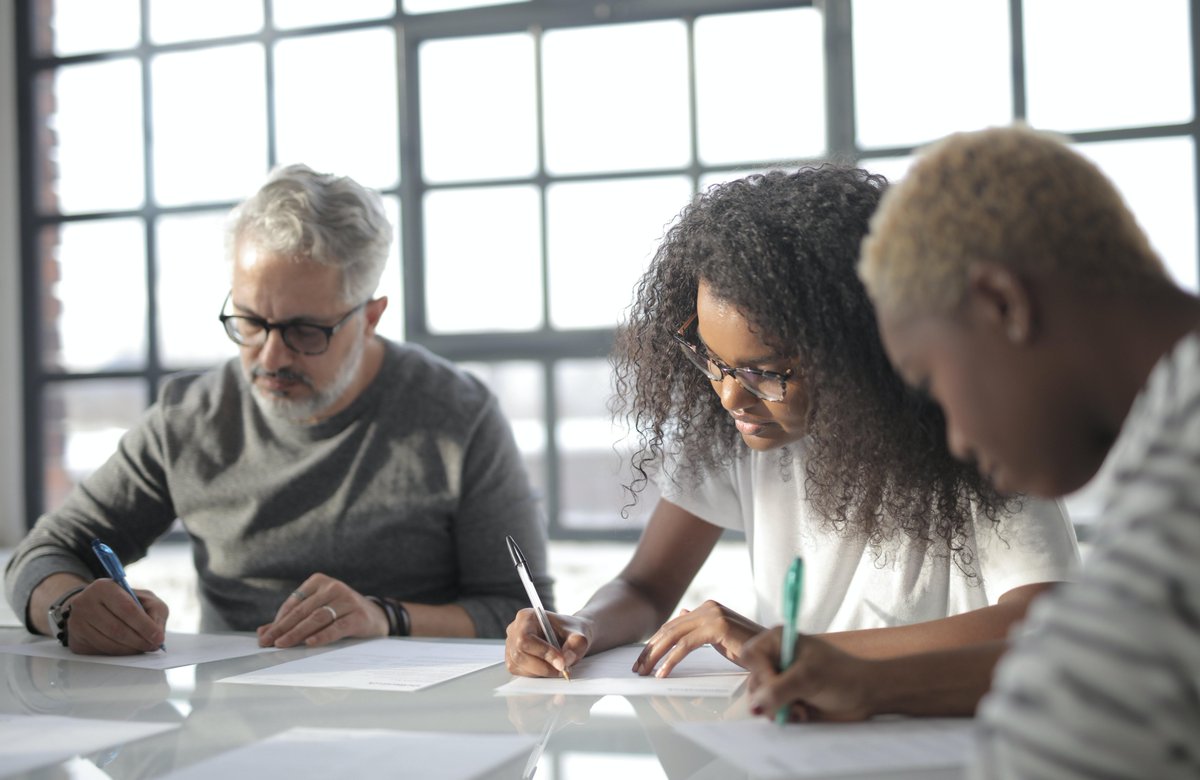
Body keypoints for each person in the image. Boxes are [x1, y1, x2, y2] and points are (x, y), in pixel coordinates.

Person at [505, 166, 1079, 717]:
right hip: (795, 735)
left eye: (765, 371)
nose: (730, 396)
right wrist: (583, 626)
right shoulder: (735, 431)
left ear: (859, 350)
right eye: (713, 360)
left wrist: (786, 649)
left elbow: (1046, 619)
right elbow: (646, 585)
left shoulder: (985, 433)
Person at [5, 163, 552, 655]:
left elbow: (518, 611)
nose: (269, 356)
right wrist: (69, 608)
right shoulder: (190, 418)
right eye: (249, 322)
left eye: (303, 331)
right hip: (229, 736)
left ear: (370, 316)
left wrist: (386, 618)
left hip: (406, 732)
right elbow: (43, 554)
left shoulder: (456, 415)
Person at [795, 123, 1197, 776]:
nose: (954, 436)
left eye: (931, 382)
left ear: (1002, 304)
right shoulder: (1166, 434)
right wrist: (874, 688)